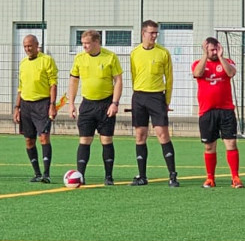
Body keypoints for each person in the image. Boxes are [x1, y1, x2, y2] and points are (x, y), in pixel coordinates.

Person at [67, 29, 123, 186]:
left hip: (106, 104)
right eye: (82, 43)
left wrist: (115, 103)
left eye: (87, 43)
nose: (84, 46)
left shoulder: (110, 57)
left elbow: (118, 81)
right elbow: (73, 81)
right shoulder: (79, 59)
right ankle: (80, 176)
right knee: (84, 140)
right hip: (87, 104)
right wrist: (71, 103)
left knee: (106, 140)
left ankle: (109, 176)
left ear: (97, 42)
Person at [129, 19, 178, 187]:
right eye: (151, 32)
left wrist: (166, 100)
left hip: (157, 97)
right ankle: (142, 176)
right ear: (143, 33)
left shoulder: (163, 53)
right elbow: (134, 75)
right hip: (139, 97)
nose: (154, 35)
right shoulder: (135, 53)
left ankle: (172, 175)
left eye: (156, 32)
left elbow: (169, 79)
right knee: (140, 135)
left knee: (162, 135)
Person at [193, 36, 243, 189]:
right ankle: (210, 178)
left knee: (231, 143)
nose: (214, 52)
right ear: (206, 50)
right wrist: (204, 55)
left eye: (216, 49)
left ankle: (235, 177)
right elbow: (197, 73)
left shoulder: (227, 62)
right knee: (209, 146)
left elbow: (231, 73)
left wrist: (221, 57)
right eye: (211, 50)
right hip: (207, 111)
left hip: (226, 110)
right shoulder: (198, 63)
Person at [14, 34, 58, 183]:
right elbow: (20, 87)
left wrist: (52, 105)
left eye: (30, 46)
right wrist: (17, 107)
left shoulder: (47, 60)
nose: (27, 49)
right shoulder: (23, 63)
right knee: (29, 141)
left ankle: (46, 173)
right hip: (26, 106)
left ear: (37, 45)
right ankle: (37, 173)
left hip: (42, 104)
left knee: (44, 137)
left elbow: (53, 84)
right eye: (25, 46)